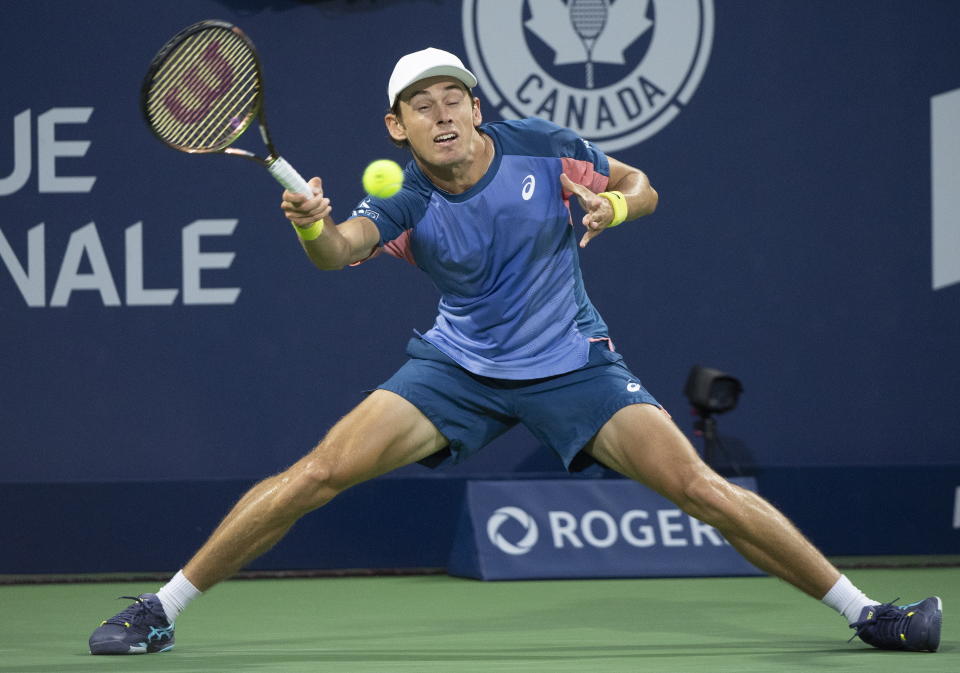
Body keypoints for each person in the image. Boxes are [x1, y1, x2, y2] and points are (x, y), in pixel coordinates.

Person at [88, 47, 941, 655]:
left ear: (475, 106)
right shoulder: (406, 195)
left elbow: (644, 183)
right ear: (398, 127)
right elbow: (340, 251)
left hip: (575, 364)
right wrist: (310, 225)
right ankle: (160, 608)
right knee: (315, 474)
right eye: (423, 104)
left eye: (454, 95)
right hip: (456, 369)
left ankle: (870, 615)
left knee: (702, 489)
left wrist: (617, 211)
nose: (444, 111)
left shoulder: (540, 144)